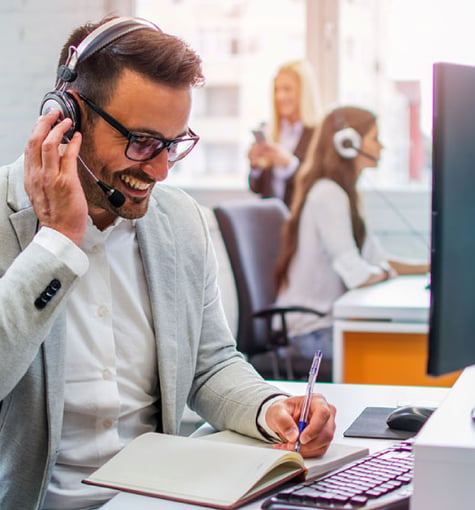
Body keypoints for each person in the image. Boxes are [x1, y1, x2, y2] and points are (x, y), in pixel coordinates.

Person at [0, 16, 336, 509]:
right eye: (141, 142)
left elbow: (211, 365)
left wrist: (270, 408)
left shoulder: (180, 222)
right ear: (66, 120)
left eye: (173, 144)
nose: (159, 170)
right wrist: (56, 241)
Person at [274, 106, 430, 360]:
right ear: (348, 143)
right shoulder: (328, 193)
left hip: (326, 326)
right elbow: (357, 274)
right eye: (375, 138)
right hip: (309, 333)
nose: (382, 147)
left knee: (408, 344)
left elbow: (378, 260)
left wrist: (429, 267)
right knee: (404, 354)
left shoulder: (345, 194)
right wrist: (386, 272)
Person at [247, 60, 322, 207]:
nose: (280, 96)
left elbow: (318, 185)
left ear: (304, 92)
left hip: (301, 221)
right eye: (277, 89)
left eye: (287, 89)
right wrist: (256, 165)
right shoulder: (269, 130)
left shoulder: (319, 134)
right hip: (271, 221)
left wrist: (289, 164)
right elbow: (256, 188)